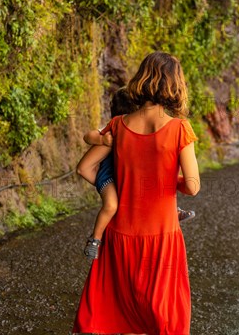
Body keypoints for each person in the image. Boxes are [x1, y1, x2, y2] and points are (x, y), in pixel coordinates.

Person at [72, 51, 200, 335]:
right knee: (163, 318)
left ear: (142, 79)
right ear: (175, 86)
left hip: (120, 235)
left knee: (122, 312)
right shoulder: (180, 129)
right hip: (162, 236)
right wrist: (169, 180)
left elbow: (84, 167)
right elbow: (192, 185)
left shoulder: (117, 126)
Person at [76, 87, 196, 260]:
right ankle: (95, 239)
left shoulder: (128, 127)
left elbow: (83, 168)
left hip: (123, 179)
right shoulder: (115, 129)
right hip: (109, 176)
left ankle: (173, 211)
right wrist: (104, 181)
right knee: (111, 205)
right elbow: (88, 140)